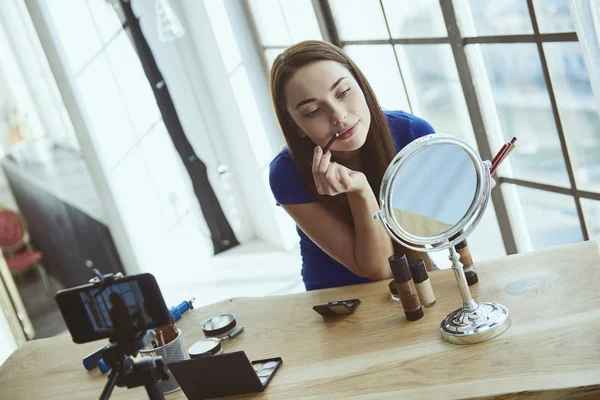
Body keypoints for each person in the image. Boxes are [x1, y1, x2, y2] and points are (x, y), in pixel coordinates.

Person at [269, 40, 436, 291]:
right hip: (340, 300)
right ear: (296, 127)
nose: (338, 116)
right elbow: (379, 269)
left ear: (362, 86)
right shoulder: (287, 174)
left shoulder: (413, 134)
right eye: (314, 111)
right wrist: (360, 190)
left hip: (421, 281)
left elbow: (435, 227)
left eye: (344, 93)